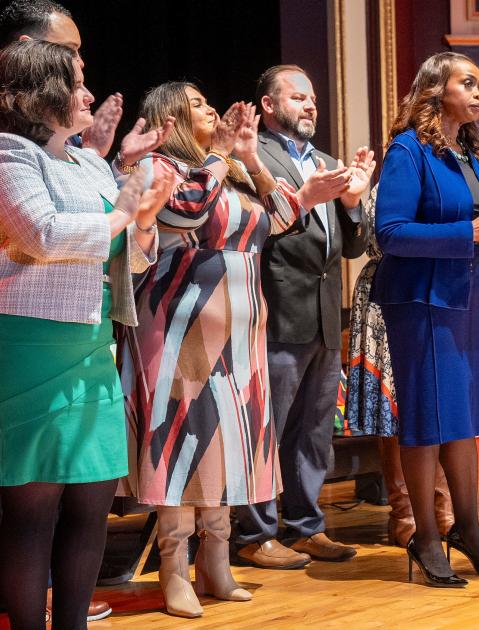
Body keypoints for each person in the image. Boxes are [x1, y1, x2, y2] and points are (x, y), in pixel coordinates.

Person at [117, 82, 332, 617]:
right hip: (179, 326)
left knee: (228, 445)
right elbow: (188, 213)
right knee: (181, 444)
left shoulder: (232, 171)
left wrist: (250, 156)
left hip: (241, 330)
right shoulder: (161, 168)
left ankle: (216, 561)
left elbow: (285, 218)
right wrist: (217, 156)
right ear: (169, 115)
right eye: (196, 103)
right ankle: (173, 569)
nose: (210, 107)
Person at [0, 40, 169, 630]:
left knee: (92, 505)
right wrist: (123, 213)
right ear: (38, 93)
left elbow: (131, 257)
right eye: (75, 82)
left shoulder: (89, 163)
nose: (88, 94)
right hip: (33, 346)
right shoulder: (10, 155)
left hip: (94, 343)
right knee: (33, 516)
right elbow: (40, 237)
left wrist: (143, 224)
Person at [230, 64, 374, 569]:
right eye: (298, 98)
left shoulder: (327, 160)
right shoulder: (247, 158)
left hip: (324, 312)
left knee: (313, 429)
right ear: (268, 106)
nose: (311, 105)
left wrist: (353, 202)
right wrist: (306, 197)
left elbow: (353, 244)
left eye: (312, 98)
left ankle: (305, 525)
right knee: (266, 427)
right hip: (276, 309)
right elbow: (251, 230)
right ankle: (254, 532)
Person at [372, 51, 479, 587]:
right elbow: (391, 233)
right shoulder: (409, 151)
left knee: (464, 418)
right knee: (429, 419)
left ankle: (468, 528)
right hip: (423, 303)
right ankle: (425, 534)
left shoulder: (470, 154)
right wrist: (465, 235)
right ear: (436, 90)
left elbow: (472, 222)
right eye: (466, 83)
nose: (478, 94)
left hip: (468, 299)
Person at [345, 185, 454, 548]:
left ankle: (443, 509)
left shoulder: (442, 181)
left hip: (433, 293)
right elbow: (383, 238)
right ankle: (404, 514)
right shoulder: (386, 187)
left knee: (432, 403)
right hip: (387, 292)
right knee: (395, 406)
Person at [0, 0, 173, 166]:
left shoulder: (67, 132)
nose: (80, 62)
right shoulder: (9, 143)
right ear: (27, 47)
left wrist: (119, 161)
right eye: (69, 50)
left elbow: (88, 193)